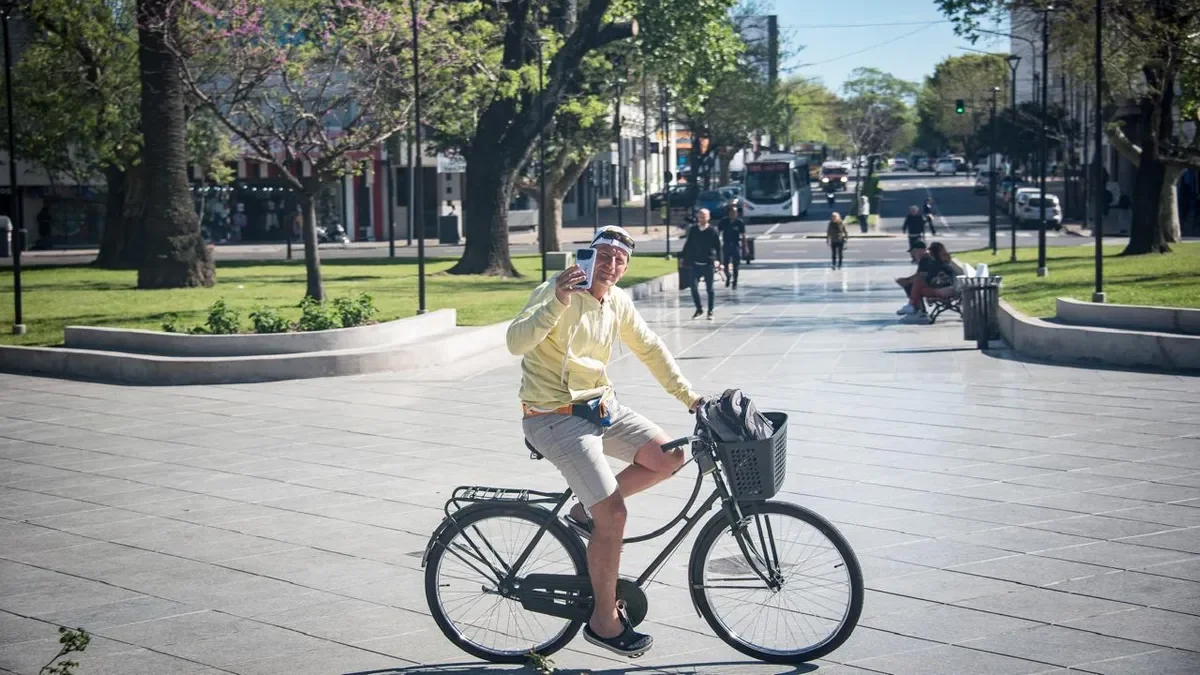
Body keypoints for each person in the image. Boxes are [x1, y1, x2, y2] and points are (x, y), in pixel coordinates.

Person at [507, 225, 703, 658]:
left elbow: (650, 348)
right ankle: (603, 621)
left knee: (671, 456)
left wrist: (692, 398)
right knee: (613, 514)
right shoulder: (556, 291)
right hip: (552, 416)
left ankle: (582, 511)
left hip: (599, 407)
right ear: (587, 255)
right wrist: (556, 301)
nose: (611, 265)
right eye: (604, 254)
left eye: (620, 258)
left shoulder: (617, 301)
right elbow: (514, 342)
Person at [894, 241, 957, 322]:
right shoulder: (940, 262)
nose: (913, 254)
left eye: (914, 251)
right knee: (917, 286)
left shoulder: (934, 263)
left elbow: (925, 277)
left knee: (916, 283)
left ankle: (914, 307)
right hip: (946, 289)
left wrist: (907, 281)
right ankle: (915, 308)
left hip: (945, 291)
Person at [682, 208, 721, 320]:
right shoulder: (694, 230)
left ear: (708, 217)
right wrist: (683, 258)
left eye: (704, 216)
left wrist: (719, 261)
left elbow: (718, 247)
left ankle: (710, 311)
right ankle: (699, 309)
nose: (702, 219)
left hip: (708, 264)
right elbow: (688, 244)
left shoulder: (712, 230)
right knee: (693, 287)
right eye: (700, 216)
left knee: (710, 289)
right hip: (695, 263)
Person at [717, 203, 745, 289]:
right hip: (726, 245)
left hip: (736, 245)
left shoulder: (739, 222)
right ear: (729, 213)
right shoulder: (724, 221)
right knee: (725, 263)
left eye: (735, 212)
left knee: (736, 265)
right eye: (732, 212)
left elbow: (743, 235)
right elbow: (719, 232)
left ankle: (735, 281)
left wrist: (745, 246)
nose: (734, 214)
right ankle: (728, 276)